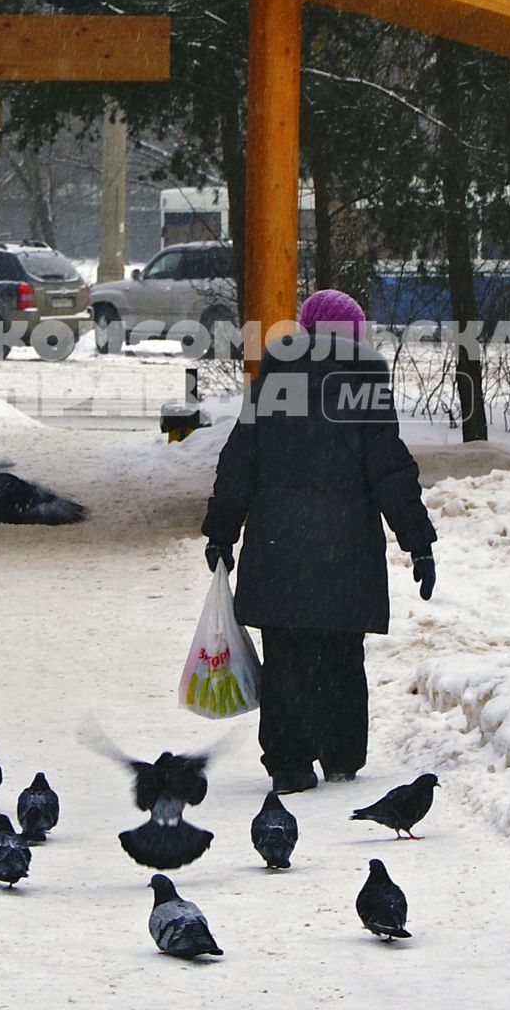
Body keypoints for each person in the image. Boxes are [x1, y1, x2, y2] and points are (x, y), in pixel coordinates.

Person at [201, 288, 437, 793]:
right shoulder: (367, 383)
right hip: (345, 551)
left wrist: (221, 533)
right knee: (341, 653)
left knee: (286, 654)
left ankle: (288, 761)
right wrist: (417, 541)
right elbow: (390, 468)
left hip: (278, 548)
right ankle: (341, 753)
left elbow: (238, 462)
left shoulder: (271, 381)